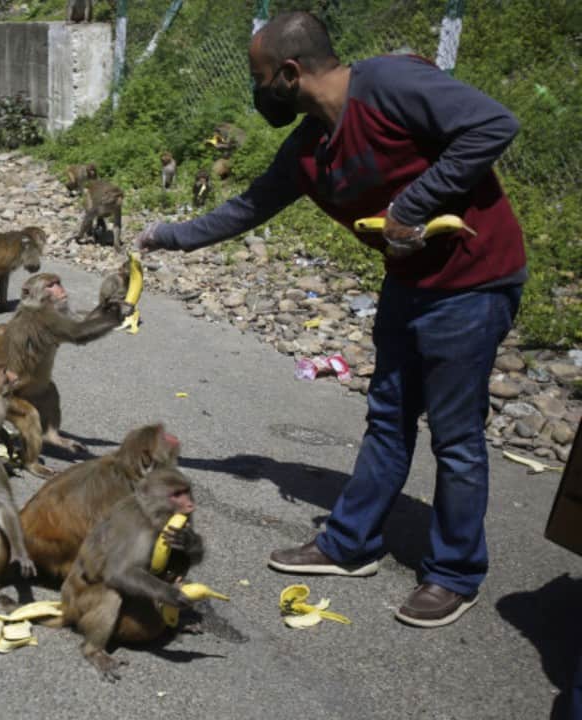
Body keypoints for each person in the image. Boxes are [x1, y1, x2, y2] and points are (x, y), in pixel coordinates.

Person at [136, 11, 526, 628]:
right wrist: (169, 237)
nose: (258, 91)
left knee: (455, 437)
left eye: (260, 77)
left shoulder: (392, 85)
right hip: (407, 283)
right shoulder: (310, 145)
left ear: (289, 73)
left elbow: (493, 123)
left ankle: (454, 573)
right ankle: (349, 545)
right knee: (388, 418)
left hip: (473, 281)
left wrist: (414, 204)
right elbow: (249, 206)